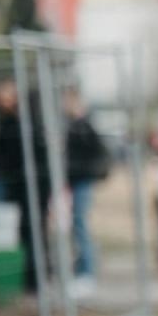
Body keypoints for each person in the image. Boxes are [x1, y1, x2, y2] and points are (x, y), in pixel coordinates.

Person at [0, 79, 50, 291]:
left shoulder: (28, 121)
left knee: (33, 230)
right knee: (14, 231)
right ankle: (18, 277)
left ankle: (35, 279)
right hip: (10, 184)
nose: (3, 99)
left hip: (32, 185)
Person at [63, 91, 110, 296]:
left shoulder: (84, 127)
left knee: (80, 225)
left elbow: (98, 154)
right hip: (75, 183)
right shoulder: (72, 126)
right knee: (76, 225)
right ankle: (81, 271)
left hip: (82, 181)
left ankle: (87, 273)